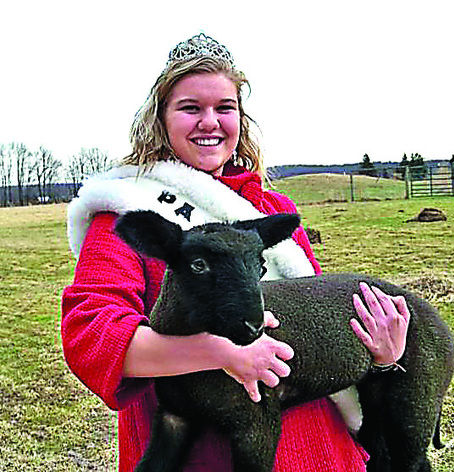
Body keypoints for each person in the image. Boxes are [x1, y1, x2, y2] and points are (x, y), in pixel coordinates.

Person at [61, 33, 410, 472]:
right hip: (205, 455)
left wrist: (383, 356)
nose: (210, 121)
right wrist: (222, 352)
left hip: (323, 450)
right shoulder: (126, 213)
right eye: (190, 108)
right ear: (160, 119)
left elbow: (315, 323)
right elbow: (92, 337)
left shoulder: (271, 209)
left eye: (224, 107)